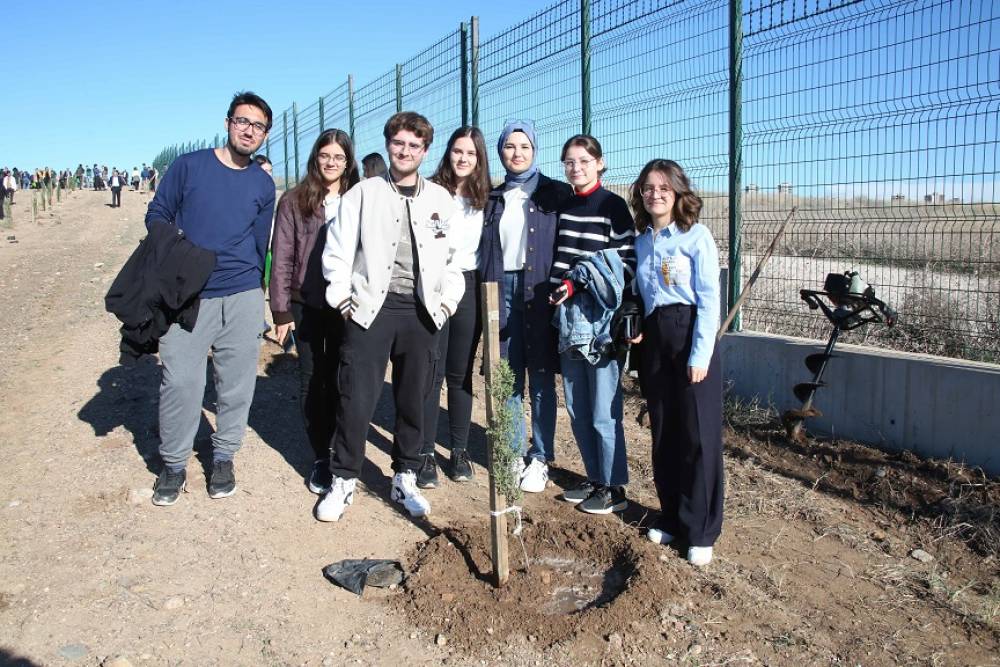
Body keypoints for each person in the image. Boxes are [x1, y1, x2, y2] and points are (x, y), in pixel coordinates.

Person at [317, 111, 463, 522]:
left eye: (414, 145)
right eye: (398, 143)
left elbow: (454, 261)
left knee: (414, 399)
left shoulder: (440, 200)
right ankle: (343, 478)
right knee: (356, 397)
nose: (405, 151)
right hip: (370, 310)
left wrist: (447, 302)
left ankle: (405, 476)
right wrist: (342, 298)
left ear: (425, 151)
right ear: (388, 145)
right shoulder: (362, 194)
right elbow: (339, 251)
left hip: (421, 312)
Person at [145, 91, 276, 507]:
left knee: (236, 385)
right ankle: (174, 463)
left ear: (265, 135)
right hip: (189, 295)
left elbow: (261, 243)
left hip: (241, 295)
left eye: (257, 126)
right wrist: (184, 257)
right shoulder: (189, 167)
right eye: (242, 121)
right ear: (227, 122)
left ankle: (223, 457)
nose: (248, 130)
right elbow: (157, 216)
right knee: (182, 381)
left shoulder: (262, 183)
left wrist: (258, 291)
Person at [629, 159, 722, 566]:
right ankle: (670, 517)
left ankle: (700, 529)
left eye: (664, 187)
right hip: (655, 340)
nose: (655, 194)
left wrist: (700, 353)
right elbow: (640, 295)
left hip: (688, 337)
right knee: (664, 432)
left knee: (697, 437)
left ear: (678, 192)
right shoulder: (642, 241)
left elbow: (709, 300)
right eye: (648, 188)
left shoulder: (695, 236)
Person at [478, 120, 573, 493]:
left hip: (540, 292)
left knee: (542, 378)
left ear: (535, 150)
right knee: (509, 374)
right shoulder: (493, 197)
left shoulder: (556, 193)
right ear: (501, 152)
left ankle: (540, 457)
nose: (516, 153)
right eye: (509, 147)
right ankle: (515, 450)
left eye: (524, 147)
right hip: (501, 289)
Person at [548, 134, 636, 514]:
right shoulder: (564, 206)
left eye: (584, 160)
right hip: (566, 317)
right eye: (569, 161)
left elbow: (626, 264)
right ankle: (595, 478)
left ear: (600, 163)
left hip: (599, 319)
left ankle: (615, 487)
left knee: (603, 409)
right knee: (577, 407)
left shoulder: (613, 207)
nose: (576, 167)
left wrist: (580, 281)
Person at [269, 129, 359, 495]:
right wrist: (280, 311)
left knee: (344, 378)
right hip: (305, 302)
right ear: (315, 158)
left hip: (348, 305)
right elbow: (283, 257)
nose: (332, 163)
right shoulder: (294, 201)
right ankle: (321, 456)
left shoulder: (359, 198)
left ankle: (343, 449)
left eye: (339, 157)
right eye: (326, 156)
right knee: (313, 378)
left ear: (348, 161)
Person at [417, 126, 491, 488]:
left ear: (479, 159)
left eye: (470, 153)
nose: (463, 158)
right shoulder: (430, 191)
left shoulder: (485, 199)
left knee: (459, 374)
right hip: (432, 285)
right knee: (431, 370)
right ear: (448, 154)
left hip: (469, 286)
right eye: (457, 151)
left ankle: (458, 451)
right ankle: (425, 453)